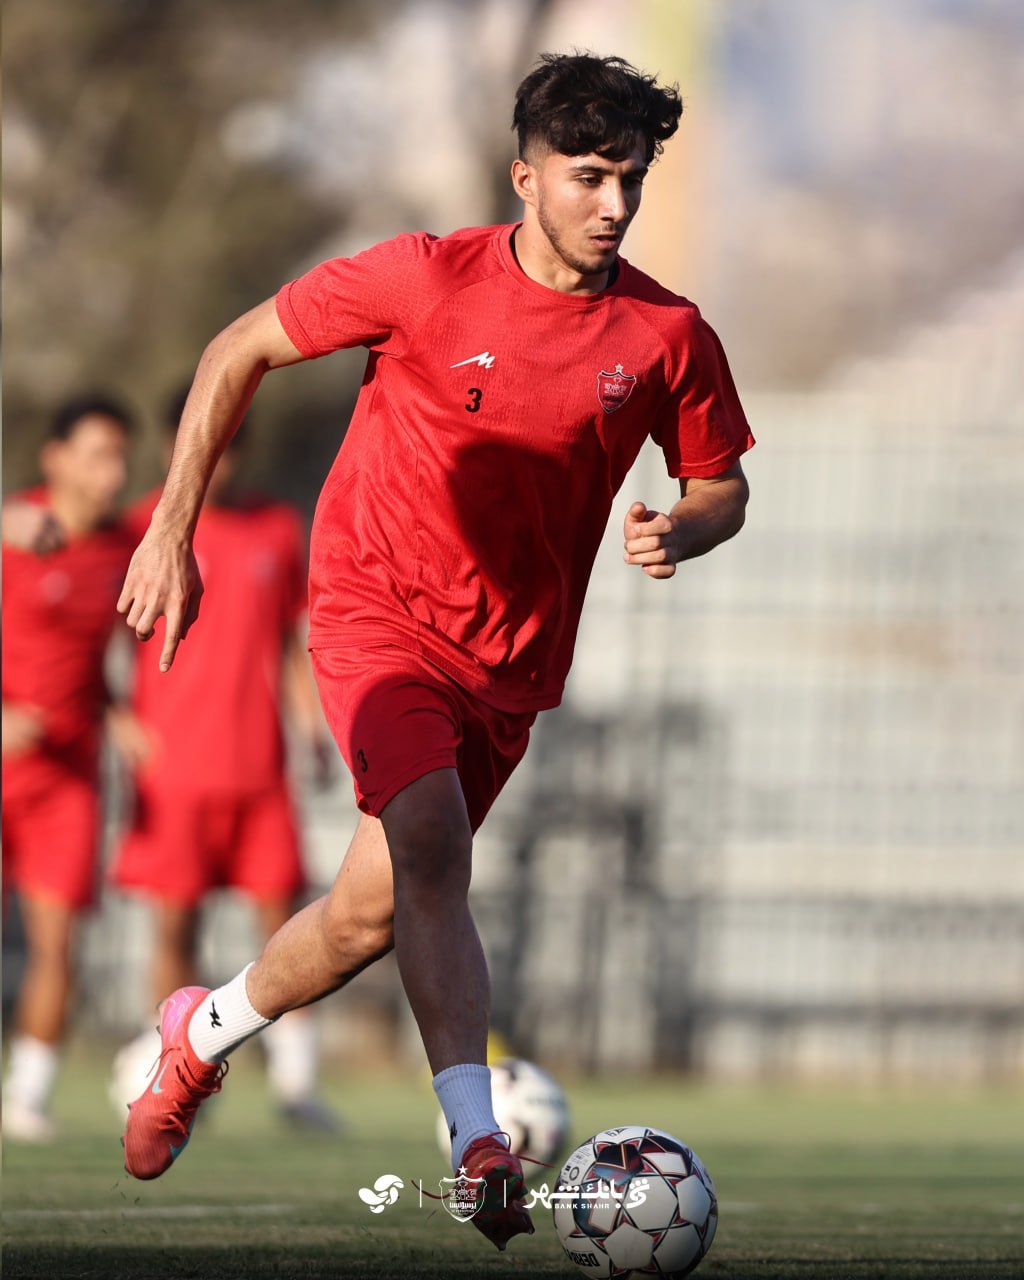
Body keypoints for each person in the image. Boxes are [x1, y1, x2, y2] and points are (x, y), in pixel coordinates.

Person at [116, 52, 754, 1251]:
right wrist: (171, 526)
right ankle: (474, 1138)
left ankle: (198, 1035)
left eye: (630, 178)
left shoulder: (667, 332)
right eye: (589, 176)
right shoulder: (422, 277)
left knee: (367, 916)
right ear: (526, 177)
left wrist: (686, 526)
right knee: (430, 841)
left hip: (508, 664)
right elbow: (237, 347)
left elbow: (721, 481)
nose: (614, 203)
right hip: (374, 609)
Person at [107, 392, 339, 1131]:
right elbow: (89, 636)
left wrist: (311, 731)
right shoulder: (138, 529)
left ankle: (297, 1087)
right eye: (212, 441)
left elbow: (292, 641)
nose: (223, 459)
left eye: (234, 443)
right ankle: (174, 1079)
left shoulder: (277, 527)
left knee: (289, 929)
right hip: (172, 773)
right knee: (175, 932)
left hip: (260, 768)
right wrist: (115, 718)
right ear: (177, 446)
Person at [2, 395, 136, 1141]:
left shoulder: (122, 551)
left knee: (59, 945)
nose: (110, 473)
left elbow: (92, 663)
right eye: (96, 455)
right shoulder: (12, 528)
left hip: (68, 773)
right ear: (54, 458)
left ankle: (26, 1099)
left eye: (119, 457)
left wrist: (119, 714)